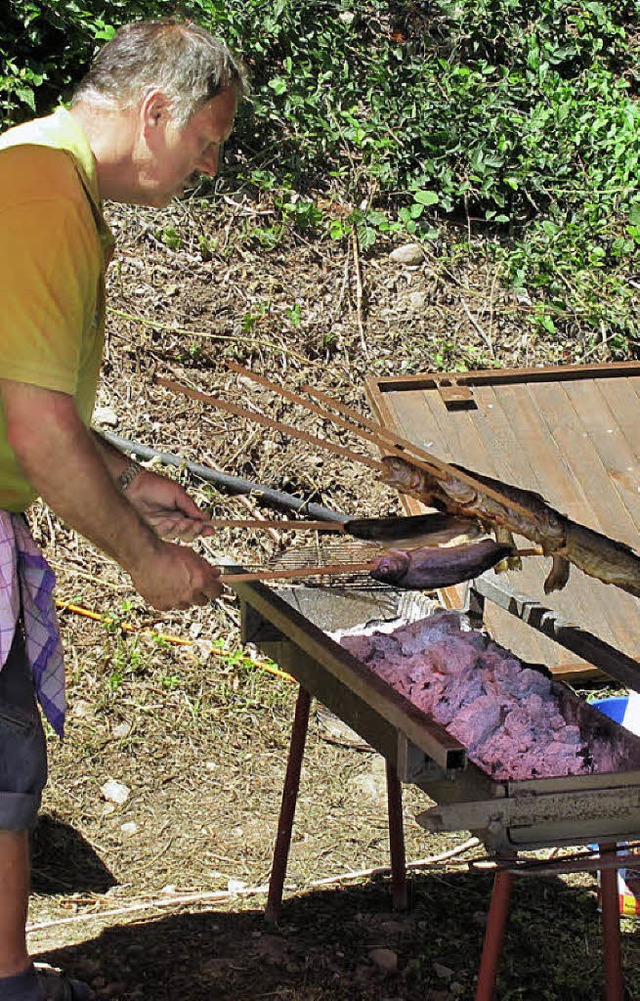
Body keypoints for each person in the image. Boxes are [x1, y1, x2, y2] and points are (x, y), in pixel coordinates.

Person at [0, 20, 247, 1000]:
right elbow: (36, 424)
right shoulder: (37, 188)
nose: (211, 165)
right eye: (209, 140)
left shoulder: (42, 176)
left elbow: (26, 392)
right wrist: (145, 557)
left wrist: (126, 471)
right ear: (157, 112)